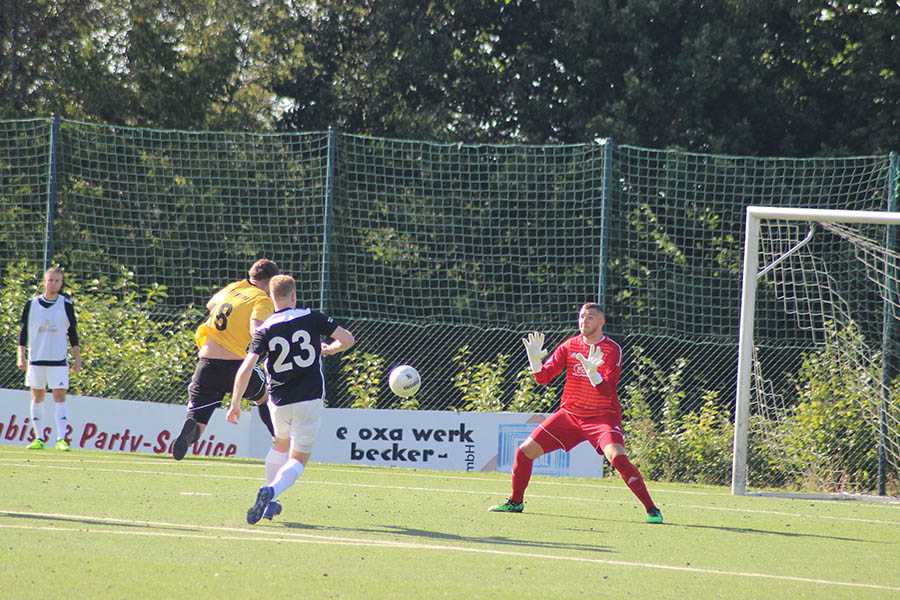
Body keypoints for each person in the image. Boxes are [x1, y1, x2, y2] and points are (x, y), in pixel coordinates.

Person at [489, 302, 663, 524]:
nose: (584, 321)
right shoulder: (569, 345)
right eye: (581, 317)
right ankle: (515, 502)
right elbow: (543, 379)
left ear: (601, 322)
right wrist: (535, 362)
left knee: (617, 457)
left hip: (602, 417)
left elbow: (608, 391)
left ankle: (652, 510)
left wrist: (594, 374)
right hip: (570, 416)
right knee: (524, 452)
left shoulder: (611, 349)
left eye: (590, 317)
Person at [227, 274, 355, 524]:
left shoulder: (264, 328)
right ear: (294, 296)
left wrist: (235, 403)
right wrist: (331, 348)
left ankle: (268, 503)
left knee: (279, 445)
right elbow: (348, 339)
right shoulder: (312, 317)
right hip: (309, 398)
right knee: (297, 459)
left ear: (271, 299)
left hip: (279, 401)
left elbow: (246, 368)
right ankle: (271, 491)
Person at [171, 258, 280, 460]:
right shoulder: (263, 300)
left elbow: (211, 304)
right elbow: (255, 328)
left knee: (199, 424)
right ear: (271, 281)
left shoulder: (235, 287)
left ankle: (191, 431)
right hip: (236, 367)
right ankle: (280, 440)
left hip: (206, 363)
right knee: (263, 395)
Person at [17, 267, 83, 451]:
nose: (53, 283)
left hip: (58, 360)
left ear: (61, 284)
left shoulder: (66, 304)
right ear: (44, 281)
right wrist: (20, 355)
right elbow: (23, 331)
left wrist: (77, 357)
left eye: (57, 280)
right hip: (36, 359)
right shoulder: (32, 304)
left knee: (59, 397)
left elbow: (72, 333)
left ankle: (61, 439)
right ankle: (39, 438)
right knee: (37, 397)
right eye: (50, 280)